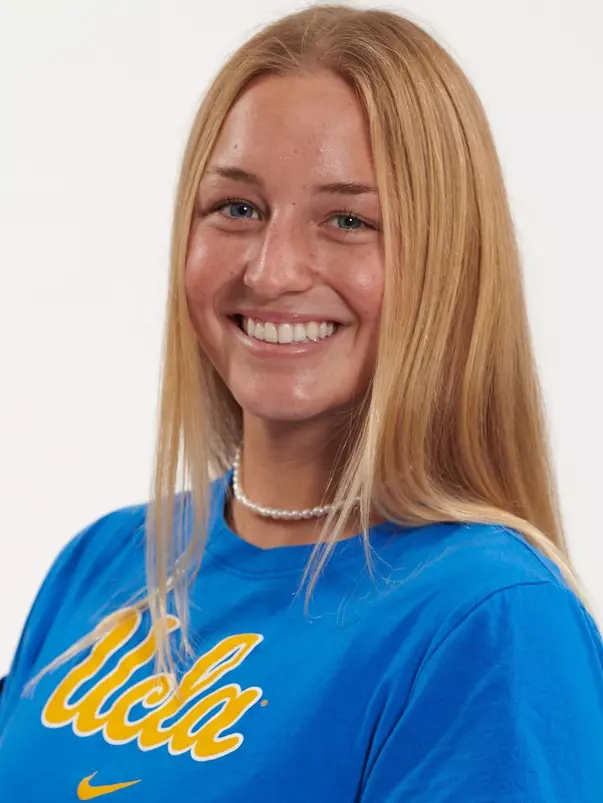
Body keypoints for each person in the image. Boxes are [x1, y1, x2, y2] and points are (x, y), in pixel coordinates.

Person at [1, 3, 602, 801]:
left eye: (348, 219)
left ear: (449, 266)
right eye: (237, 209)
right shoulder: (104, 562)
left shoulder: (487, 620)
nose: (273, 269)